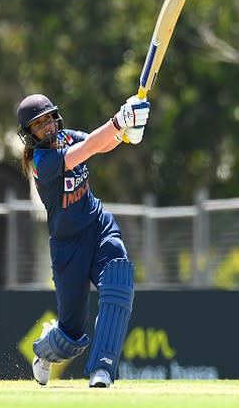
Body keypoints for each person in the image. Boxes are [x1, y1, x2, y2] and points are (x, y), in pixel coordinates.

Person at [16, 93, 150, 388]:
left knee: (119, 286)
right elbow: (87, 149)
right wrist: (119, 120)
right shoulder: (42, 161)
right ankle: (45, 351)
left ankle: (103, 369)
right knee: (70, 336)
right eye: (38, 125)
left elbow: (100, 144)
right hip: (68, 246)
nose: (48, 127)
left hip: (98, 226)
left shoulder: (66, 137)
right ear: (30, 135)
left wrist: (128, 133)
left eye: (49, 118)